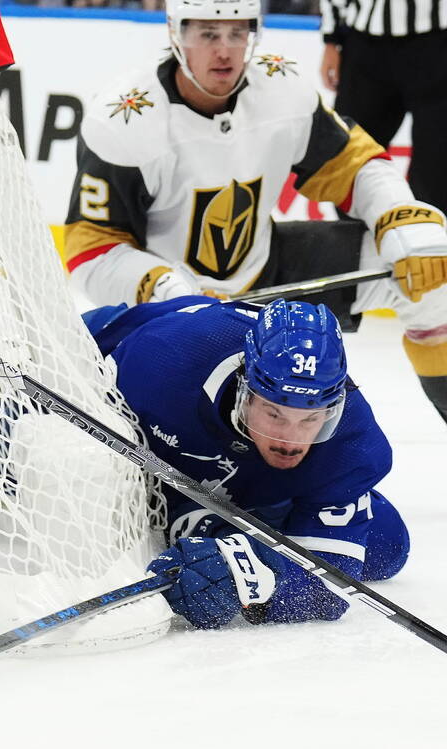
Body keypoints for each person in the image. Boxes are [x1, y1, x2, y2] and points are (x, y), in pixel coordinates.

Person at [63, 0, 447, 424]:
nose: (224, 50)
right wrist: (166, 289)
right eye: (207, 34)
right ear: (175, 34)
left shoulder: (280, 87)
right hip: (168, 308)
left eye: (237, 32)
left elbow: (353, 165)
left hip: (268, 270)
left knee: (435, 279)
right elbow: (92, 250)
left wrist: (399, 213)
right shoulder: (126, 120)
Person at [85, 296, 408, 629]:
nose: (291, 439)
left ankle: (245, 514)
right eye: (274, 413)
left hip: (235, 470)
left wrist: (251, 574)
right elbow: (76, 387)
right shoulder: (161, 361)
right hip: (114, 340)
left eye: (311, 419)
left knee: (387, 543)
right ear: (245, 389)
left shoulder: (352, 442)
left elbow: (331, 586)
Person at [319, 0, 447, 213]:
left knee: (436, 170)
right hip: (366, 45)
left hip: (439, 42)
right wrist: (331, 39)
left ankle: (432, 242)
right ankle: (354, 243)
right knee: (350, 159)